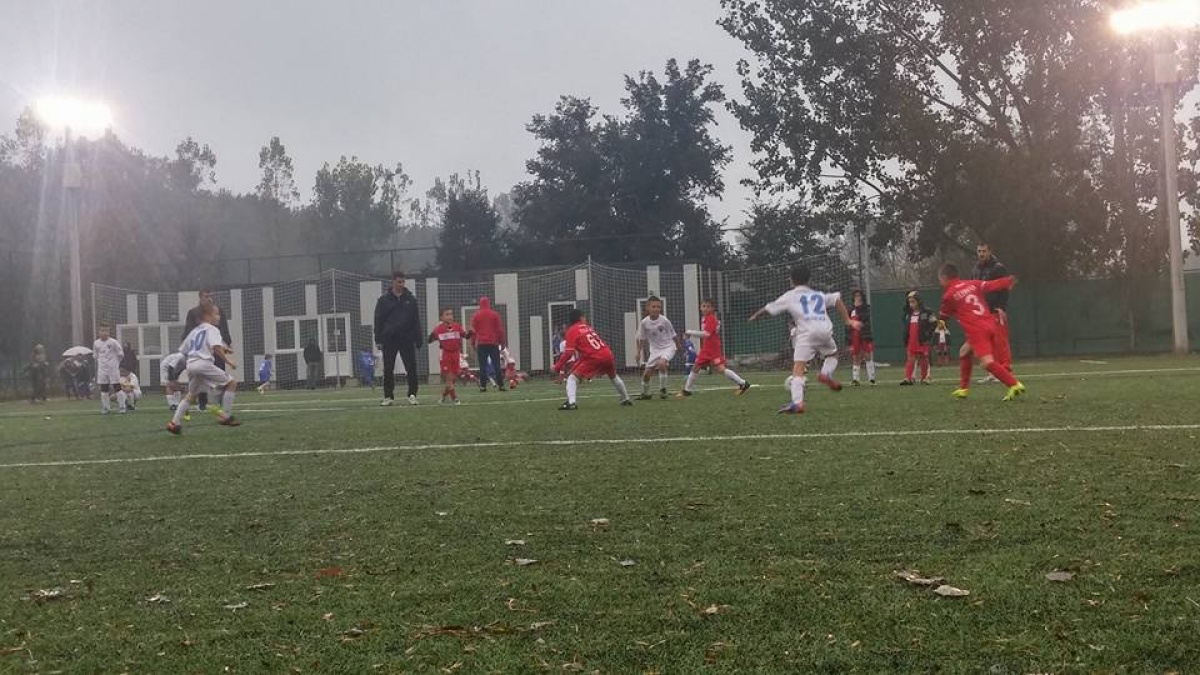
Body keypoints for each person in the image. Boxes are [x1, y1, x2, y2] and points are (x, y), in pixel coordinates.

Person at [749, 266, 860, 414]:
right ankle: (826, 373)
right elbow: (836, 299)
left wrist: (756, 315)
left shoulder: (790, 296)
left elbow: (769, 308)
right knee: (833, 354)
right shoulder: (818, 295)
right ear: (809, 280)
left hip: (806, 334)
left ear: (791, 280)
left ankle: (797, 403)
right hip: (825, 330)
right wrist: (847, 320)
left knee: (799, 367)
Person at [937, 263, 1025, 401]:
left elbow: (944, 316)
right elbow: (991, 285)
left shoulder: (948, 295)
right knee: (964, 352)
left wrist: (940, 324)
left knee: (986, 363)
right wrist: (1007, 281)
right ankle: (963, 389)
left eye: (940, 279)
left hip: (976, 330)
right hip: (990, 323)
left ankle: (1014, 384)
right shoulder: (972, 284)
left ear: (944, 277)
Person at [168, 302, 240, 433]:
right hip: (203, 364)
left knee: (191, 395)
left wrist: (224, 349)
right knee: (231, 383)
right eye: (216, 314)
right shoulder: (212, 329)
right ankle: (226, 416)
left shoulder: (195, 331)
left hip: (191, 364)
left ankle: (174, 423)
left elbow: (185, 349)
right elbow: (215, 347)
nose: (218, 317)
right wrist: (229, 362)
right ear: (207, 315)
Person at [553, 308, 632, 410]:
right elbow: (585, 353)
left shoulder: (572, 330)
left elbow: (569, 352)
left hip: (594, 357)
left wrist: (557, 367)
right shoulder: (588, 327)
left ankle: (571, 403)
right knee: (613, 376)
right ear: (581, 318)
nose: (585, 319)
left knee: (572, 379)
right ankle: (626, 398)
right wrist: (575, 367)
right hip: (607, 353)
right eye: (584, 317)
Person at [677, 299, 751, 398]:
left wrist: (690, 332)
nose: (705, 308)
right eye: (703, 306)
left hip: (713, 349)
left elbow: (707, 334)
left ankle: (743, 383)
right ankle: (687, 390)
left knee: (720, 368)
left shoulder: (711, 318)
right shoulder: (705, 318)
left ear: (712, 308)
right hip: (706, 349)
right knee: (696, 367)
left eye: (708, 307)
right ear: (700, 307)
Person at [374, 271, 423, 406]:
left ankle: (412, 395)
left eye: (403, 282)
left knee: (411, 367)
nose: (401, 284)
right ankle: (388, 396)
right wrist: (378, 338)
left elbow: (416, 320)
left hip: (406, 338)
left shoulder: (411, 299)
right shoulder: (383, 300)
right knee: (388, 368)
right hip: (389, 338)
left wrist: (418, 338)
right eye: (399, 282)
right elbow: (378, 320)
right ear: (393, 282)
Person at [183, 289, 233, 412]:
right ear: (200, 297)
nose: (209, 299)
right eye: (206, 296)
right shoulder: (193, 312)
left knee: (221, 375)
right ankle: (202, 403)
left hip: (217, 348)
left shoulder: (218, 310)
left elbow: (224, 328)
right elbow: (188, 331)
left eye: (211, 296)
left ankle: (222, 403)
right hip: (202, 351)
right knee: (200, 379)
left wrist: (227, 343)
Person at [972, 243, 1013, 381]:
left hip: (995, 309)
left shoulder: (998, 268)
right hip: (982, 311)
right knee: (988, 343)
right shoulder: (976, 269)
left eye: (984, 251)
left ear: (990, 251)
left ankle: (1005, 370)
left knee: (1000, 341)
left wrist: (1001, 307)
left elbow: (1005, 287)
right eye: (979, 251)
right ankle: (993, 372)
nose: (981, 254)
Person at [636, 296, 682, 400]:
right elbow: (641, 338)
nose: (656, 309)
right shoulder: (644, 322)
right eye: (653, 307)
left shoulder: (664, 320)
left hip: (668, 347)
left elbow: (673, 334)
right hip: (655, 350)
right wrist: (638, 352)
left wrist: (678, 345)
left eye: (658, 307)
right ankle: (645, 394)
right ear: (647, 308)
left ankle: (663, 390)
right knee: (646, 375)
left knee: (662, 363)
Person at [429, 308, 472, 405]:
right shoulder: (439, 329)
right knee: (448, 378)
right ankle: (455, 398)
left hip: (456, 354)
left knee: (453, 379)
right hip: (445, 354)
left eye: (451, 314)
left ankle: (443, 396)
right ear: (441, 317)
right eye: (447, 314)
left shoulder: (457, 326)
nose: (450, 317)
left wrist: (470, 333)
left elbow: (466, 336)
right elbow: (430, 340)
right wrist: (433, 335)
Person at [900, 291, 938, 385]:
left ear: (918, 301)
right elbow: (906, 326)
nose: (911, 304)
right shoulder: (908, 313)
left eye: (913, 302)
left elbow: (934, 323)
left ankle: (924, 377)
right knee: (910, 358)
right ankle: (908, 378)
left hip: (922, 340)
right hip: (911, 340)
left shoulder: (927, 312)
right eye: (910, 302)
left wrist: (928, 334)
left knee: (923, 358)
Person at [471, 296, 506, 392]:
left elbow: (473, 331)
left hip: (481, 344)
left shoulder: (476, 315)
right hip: (493, 343)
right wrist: (502, 342)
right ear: (489, 304)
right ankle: (501, 385)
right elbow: (500, 330)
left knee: (482, 366)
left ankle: (483, 386)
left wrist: (473, 343)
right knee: (496, 365)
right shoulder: (495, 315)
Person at [847, 290, 877, 386]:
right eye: (855, 296)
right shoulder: (851, 310)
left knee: (867, 355)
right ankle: (856, 379)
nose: (857, 298)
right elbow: (848, 323)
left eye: (859, 296)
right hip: (854, 335)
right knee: (856, 356)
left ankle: (872, 378)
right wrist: (848, 338)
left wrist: (858, 307)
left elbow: (864, 319)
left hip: (864, 334)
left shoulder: (865, 308)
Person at [93, 324, 124, 415]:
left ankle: (122, 407)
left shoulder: (113, 342)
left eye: (106, 331)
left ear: (109, 332)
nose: (104, 333)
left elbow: (120, 354)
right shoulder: (96, 343)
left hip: (113, 368)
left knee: (117, 387)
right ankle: (106, 408)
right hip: (102, 369)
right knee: (104, 389)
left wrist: (115, 364)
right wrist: (102, 363)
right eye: (102, 330)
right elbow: (96, 356)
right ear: (99, 332)